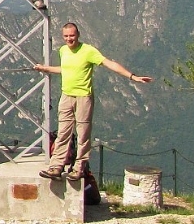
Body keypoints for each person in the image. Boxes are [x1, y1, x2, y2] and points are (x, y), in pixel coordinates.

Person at [33, 22, 152, 181]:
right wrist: (46, 68)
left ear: (78, 35)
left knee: (83, 134)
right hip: (66, 96)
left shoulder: (88, 51)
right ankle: (56, 166)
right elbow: (66, 69)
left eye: (72, 36)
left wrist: (132, 76)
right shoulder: (63, 51)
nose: (69, 39)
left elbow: (109, 63)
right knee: (63, 133)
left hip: (83, 97)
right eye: (66, 36)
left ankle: (79, 168)